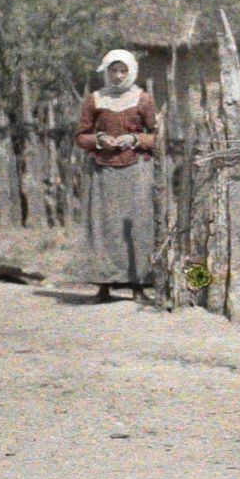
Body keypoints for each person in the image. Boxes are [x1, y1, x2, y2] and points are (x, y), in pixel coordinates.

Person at [73, 49, 159, 303]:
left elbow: (156, 135)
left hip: (136, 170)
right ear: (106, 71)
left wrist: (134, 138)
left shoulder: (143, 99)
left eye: (123, 71)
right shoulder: (95, 99)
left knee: (137, 225)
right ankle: (104, 286)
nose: (119, 76)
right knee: (104, 225)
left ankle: (138, 285)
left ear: (131, 71)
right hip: (103, 171)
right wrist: (100, 140)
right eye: (114, 70)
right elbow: (80, 135)